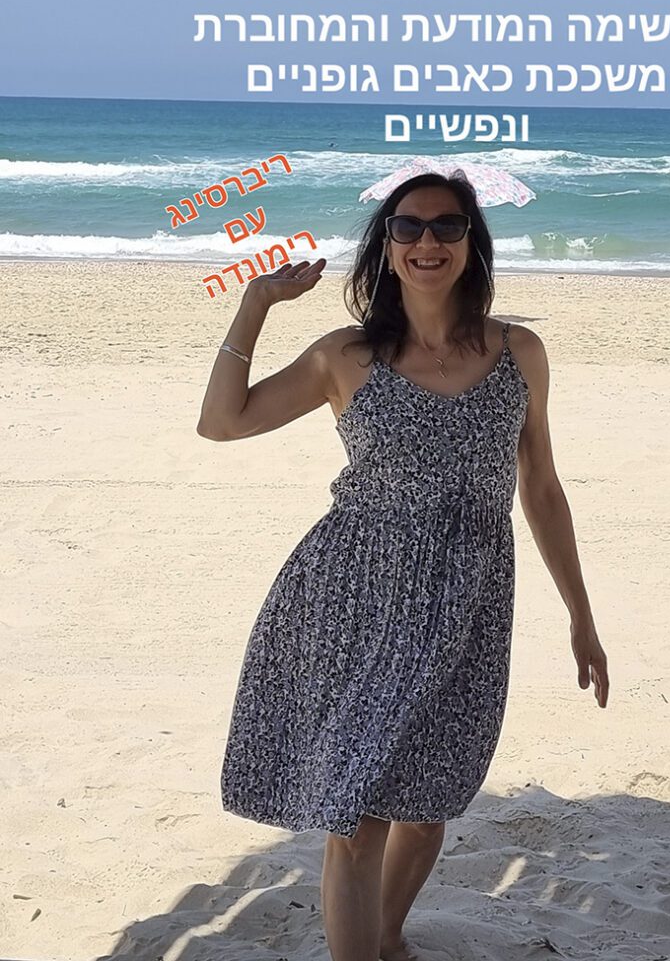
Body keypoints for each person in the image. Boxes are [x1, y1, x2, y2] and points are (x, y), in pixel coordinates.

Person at [197, 172, 609, 961]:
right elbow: (222, 421)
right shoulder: (343, 357)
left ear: (471, 244)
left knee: (427, 805)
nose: (428, 242)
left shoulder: (520, 353)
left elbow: (542, 489)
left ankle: (384, 937)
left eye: (448, 226)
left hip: (470, 603)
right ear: (386, 248)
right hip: (353, 598)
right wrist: (254, 305)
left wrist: (580, 617)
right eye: (409, 227)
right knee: (358, 819)